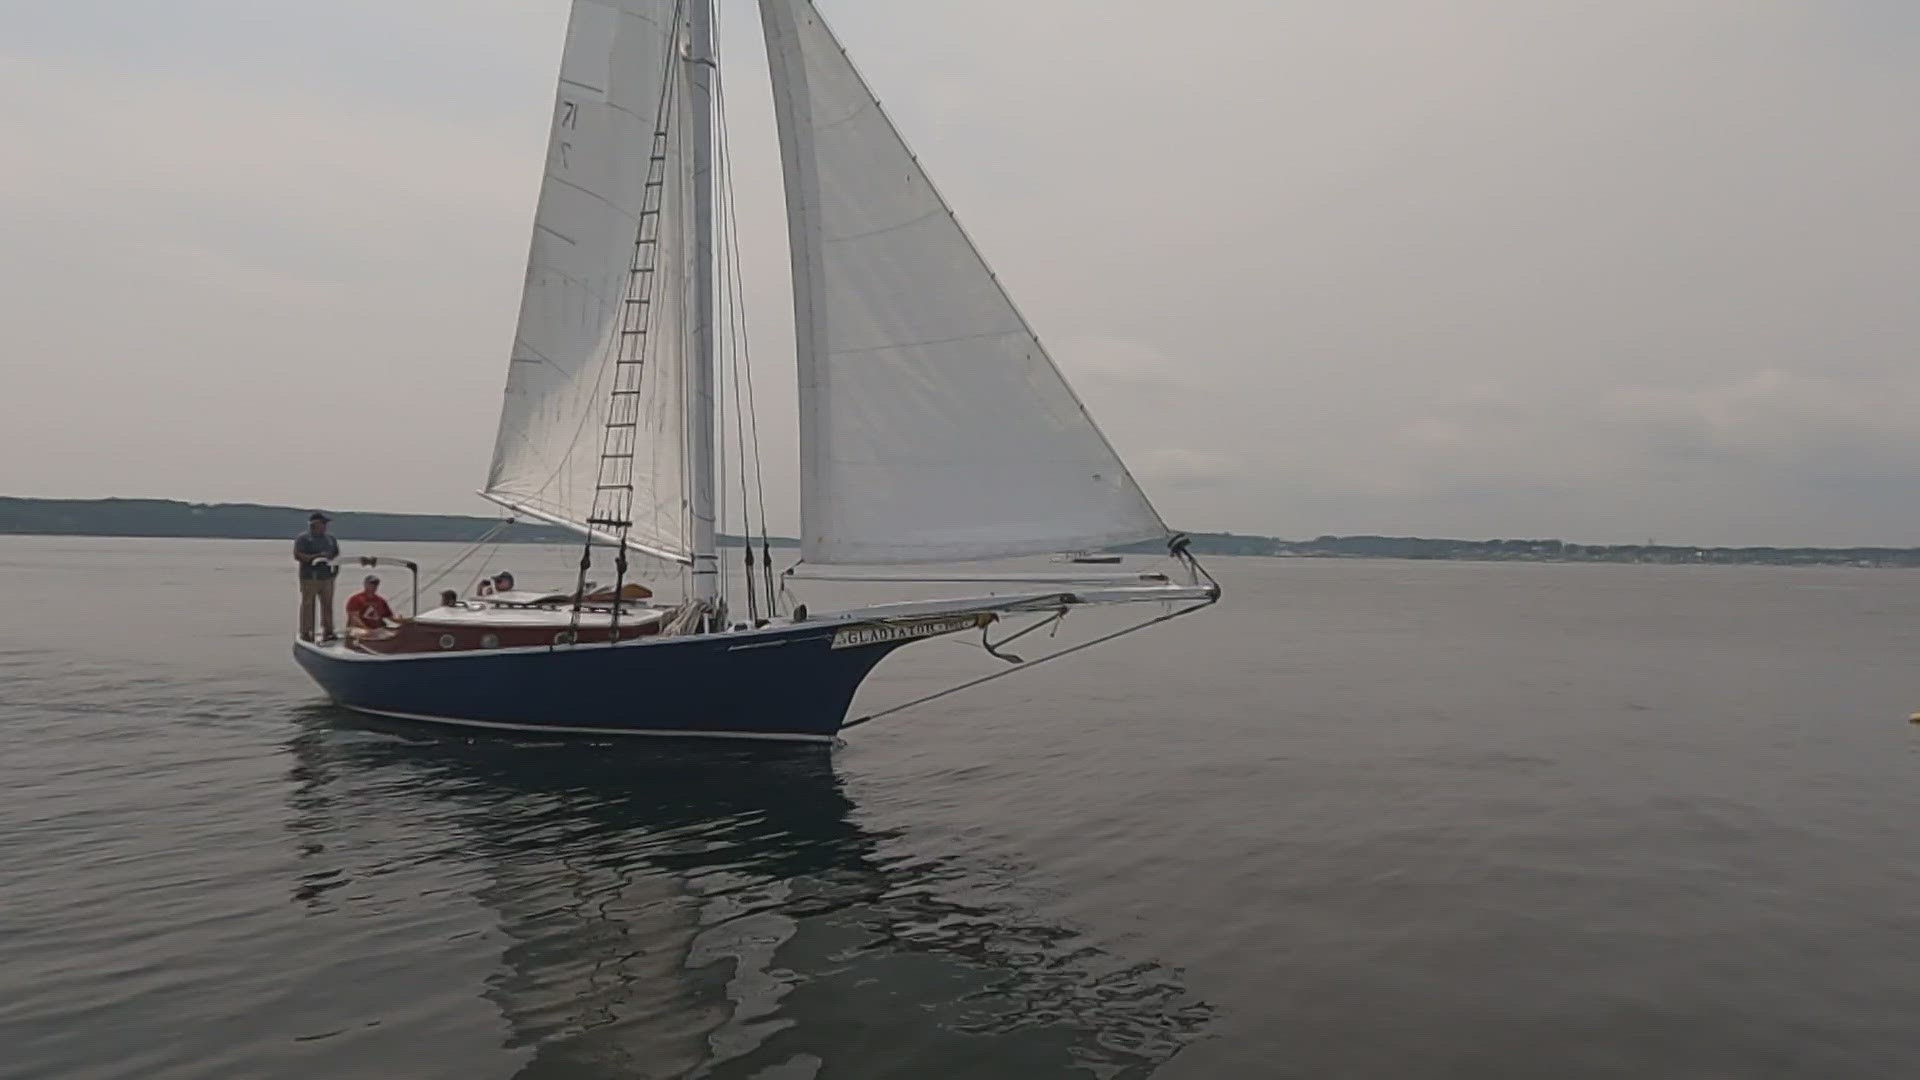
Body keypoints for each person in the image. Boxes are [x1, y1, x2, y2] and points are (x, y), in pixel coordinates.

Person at [295, 511, 340, 642]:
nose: (325, 526)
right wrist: (317, 556)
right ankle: (306, 632)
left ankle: (328, 630)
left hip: (327, 577)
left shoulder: (330, 539)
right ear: (314, 524)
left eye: (325, 524)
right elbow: (298, 555)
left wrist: (335, 570)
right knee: (308, 604)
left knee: (327, 604)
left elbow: (336, 555)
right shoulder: (303, 538)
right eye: (322, 524)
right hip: (310, 577)